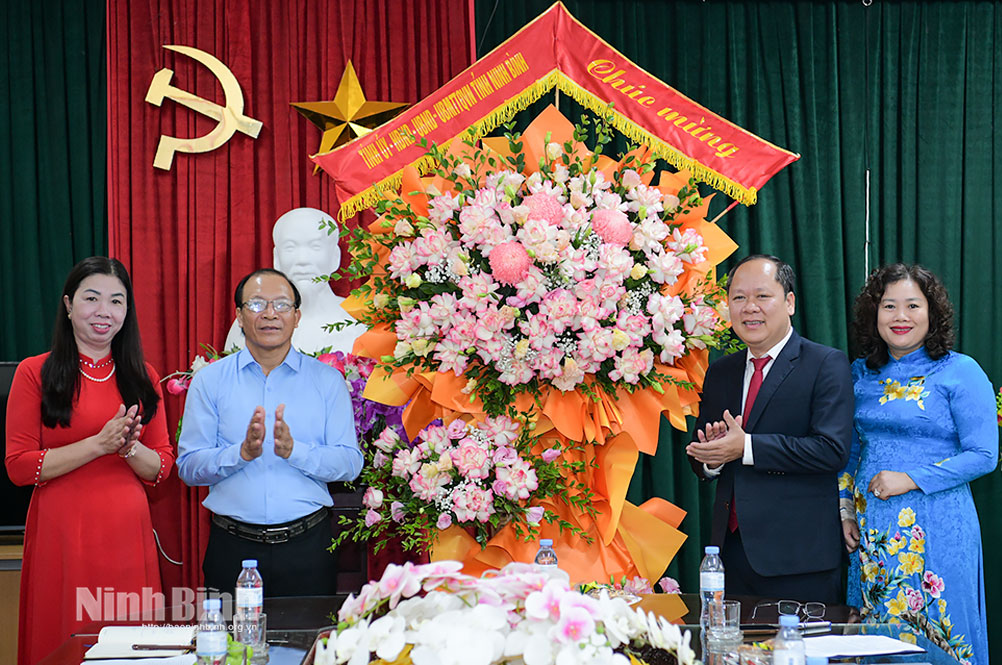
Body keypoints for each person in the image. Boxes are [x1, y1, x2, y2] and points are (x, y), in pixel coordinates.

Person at [5, 257, 174, 665]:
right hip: (62, 534)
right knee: (66, 639)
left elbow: (162, 469)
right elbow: (19, 466)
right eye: (92, 298)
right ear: (68, 304)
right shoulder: (35, 372)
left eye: (116, 301)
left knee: (128, 642)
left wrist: (129, 448)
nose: (104, 311)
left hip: (127, 533)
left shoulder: (143, 376)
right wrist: (98, 445)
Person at [840, 264, 996, 665]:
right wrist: (844, 511)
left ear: (932, 313)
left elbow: (984, 455)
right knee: (876, 638)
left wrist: (910, 479)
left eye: (913, 305)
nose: (901, 316)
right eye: (889, 306)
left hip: (939, 525)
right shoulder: (859, 374)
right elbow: (848, 453)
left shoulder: (961, 371)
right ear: (874, 314)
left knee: (941, 636)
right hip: (873, 530)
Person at [177, 268, 362, 596]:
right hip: (232, 548)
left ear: (297, 316)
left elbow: (349, 463)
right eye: (257, 304)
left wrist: (295, 451)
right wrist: (240, 454)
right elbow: (189, 467)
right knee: (230, 633)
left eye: (282, 305)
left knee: (309, 631)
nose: (270, 314)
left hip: (307, 548)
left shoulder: (327, 381)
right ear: (239, 316)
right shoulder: (210, 381)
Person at [686, 255, 853, 603]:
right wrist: (712, 458)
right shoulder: (721, 371)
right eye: (739, 298)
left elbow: (831, 450)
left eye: (762, 296)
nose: (750, 308)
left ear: (789, 302)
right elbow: (703, 456)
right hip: (730, 554)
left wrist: (746, 447)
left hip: (798, 559)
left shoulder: (825, 363)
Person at [223, 207, 365, 354]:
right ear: (276, 259)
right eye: (290, 247)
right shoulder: (250, 322)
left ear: (335, 257)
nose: (302, 260)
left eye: (315, 246)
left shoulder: (360, 319)